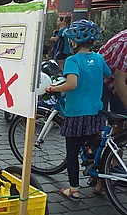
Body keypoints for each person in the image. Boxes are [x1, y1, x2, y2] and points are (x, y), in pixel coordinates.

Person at [44, 20, 111, 200]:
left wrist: (52, 89)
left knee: (72, 153)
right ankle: (100, 181)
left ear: (73, 41)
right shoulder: (98, 58)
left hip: (76, 114)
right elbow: (107, 73)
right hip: (95, 112)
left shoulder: (73, 60)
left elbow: (71, 84)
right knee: (94, 148)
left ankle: (74, 189)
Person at [99, 29, 127, 115]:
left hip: (119, 78)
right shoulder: (125, 43)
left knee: (121, 121)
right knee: (100, 118)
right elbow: (119, 81)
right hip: (103, 77)